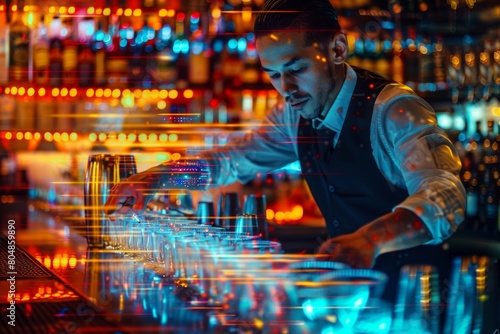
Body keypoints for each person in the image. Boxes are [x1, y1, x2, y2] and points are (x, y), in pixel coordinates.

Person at [105, 0, 465, 302]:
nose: (287, 88)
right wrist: (158, 177)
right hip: (349, 300)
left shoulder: (394, 109)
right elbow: (232, 160)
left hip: (417, 298)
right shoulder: (295, 114)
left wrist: (372, 239)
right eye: (274, 75)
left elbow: (445, 194)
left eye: (297, 68)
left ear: (337, 49)